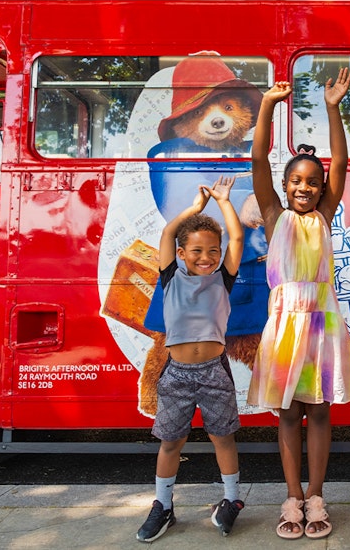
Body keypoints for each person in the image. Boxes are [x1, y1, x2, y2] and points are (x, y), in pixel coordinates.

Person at [246, 68, 350, 540]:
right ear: (285, 183)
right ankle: (291, 496)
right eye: (295, 180)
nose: (304, 187)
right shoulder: (274, 215)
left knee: (319, 412)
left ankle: (317, 495)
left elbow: (342, 165)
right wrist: (268, 107)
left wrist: (333, 108)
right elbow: (257, 159)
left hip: (321, 325)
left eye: (312, 182)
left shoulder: (325, 215)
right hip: (283, 326)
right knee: (288, 413)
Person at [136, 176, 246, 543]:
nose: (206, 257)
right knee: (170, 443)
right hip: (177, 375)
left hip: (214, 372)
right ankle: (163, 506)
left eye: (213, 250)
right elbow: (169, 233)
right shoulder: (171, 278)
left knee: (223, 438)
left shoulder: (222, 279)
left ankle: (231, 501)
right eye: (197, 251)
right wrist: (196, 210)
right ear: (182, 254)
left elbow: (238, 238)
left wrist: (225, 202)